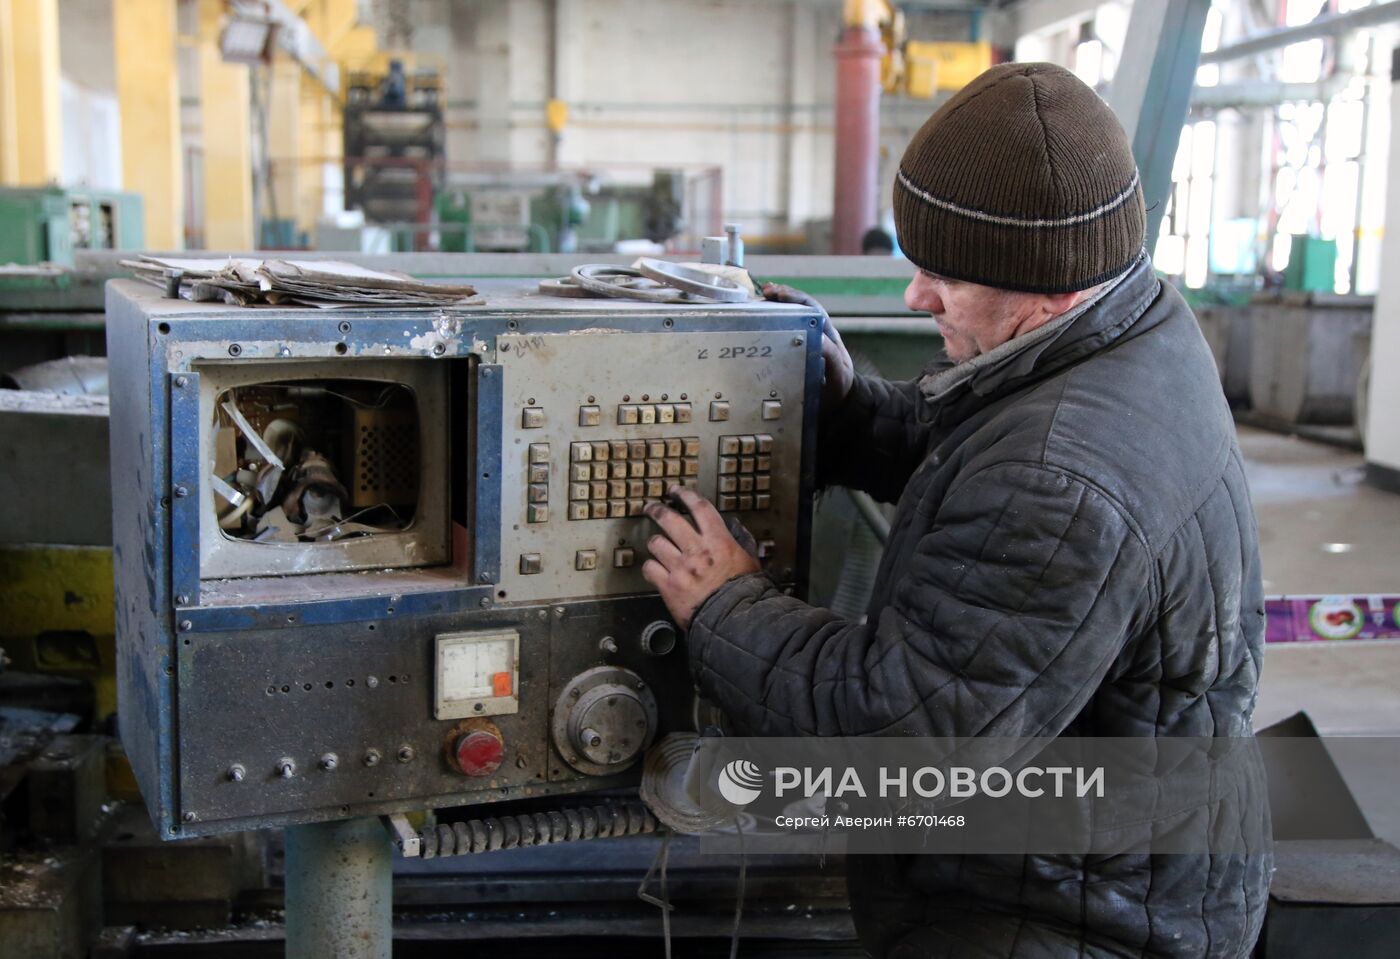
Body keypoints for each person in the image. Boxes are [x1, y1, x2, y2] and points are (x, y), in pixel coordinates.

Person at [642, 62, 1271, 957]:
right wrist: (854, 413)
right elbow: (986, 438)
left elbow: (900, 735)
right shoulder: (1135, 325)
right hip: (1129, 870)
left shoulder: (1062, 479)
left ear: (1048, 286)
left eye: (948, 276)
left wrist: (725, 605)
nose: (915, 296)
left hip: (1062, 921)